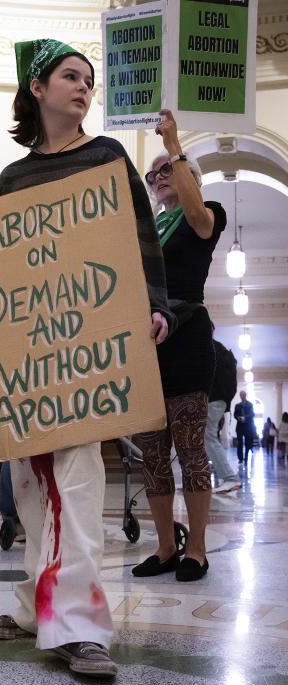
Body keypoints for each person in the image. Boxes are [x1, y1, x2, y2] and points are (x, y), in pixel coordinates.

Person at [0, 39, 172, 678]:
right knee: (30, 490)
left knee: (76, 486)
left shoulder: (107, 159)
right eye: (70, 77)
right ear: (37, 88)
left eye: (88, 80)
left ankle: (77, 628)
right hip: (28, 361)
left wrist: (155, 304)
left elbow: (138, 239)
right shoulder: (12, 178)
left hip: (86, 356)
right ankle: (32, 607)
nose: (83, 88)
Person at [132, 110, 227, 583]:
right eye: (155, 175)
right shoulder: (147, 232)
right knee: (152, 454)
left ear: (189, 175)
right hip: (147, 345)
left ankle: (199, 550)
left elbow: (195, 214)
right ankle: (167, 547)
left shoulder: (205, 217)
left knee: (191, 448)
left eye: (168, 170)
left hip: (186, 339)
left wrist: (175, 146)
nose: (160, 177)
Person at [207, 339, 241, 493]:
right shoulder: (221, 348)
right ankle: (200, 479)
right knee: (205, 437)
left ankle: (230, 478)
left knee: (208, 437)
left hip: (214, 398)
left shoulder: (210, 347)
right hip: (220, 399)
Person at [234, 390, 255, 465]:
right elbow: (235, 415)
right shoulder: (237, 405)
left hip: (247, 427)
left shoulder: (250, 404)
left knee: (247, 443)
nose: (242, 396)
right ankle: (240, 458)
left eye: (243, 395)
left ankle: (246, 458)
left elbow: (252, 414)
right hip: (239, 427)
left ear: (245, 395)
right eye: (240, 395)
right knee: (239, 443)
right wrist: (238, 418)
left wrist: (245, 418)